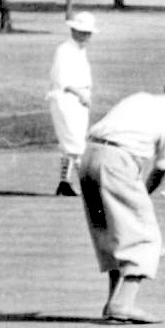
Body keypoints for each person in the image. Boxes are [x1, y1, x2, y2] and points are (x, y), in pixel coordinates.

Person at [79, 69, 165, 324]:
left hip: (88, 157)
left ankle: (113, 301)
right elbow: (159, 172)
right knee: (145, 238)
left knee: (112, 233)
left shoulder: (138, 99)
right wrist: (141, 197)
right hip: (118, 164)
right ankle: (122, 304)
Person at [48, 11, 97, 197]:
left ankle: (64, 182)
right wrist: (80, 95)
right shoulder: (64, 50)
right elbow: (62, 81)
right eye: (83, 32)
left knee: (74, 142)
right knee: (75, 143)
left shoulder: (79, 50)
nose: (86, 36)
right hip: (66, 99)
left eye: (88, 33)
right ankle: (88, 186)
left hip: (78, 100)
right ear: (73, 30)